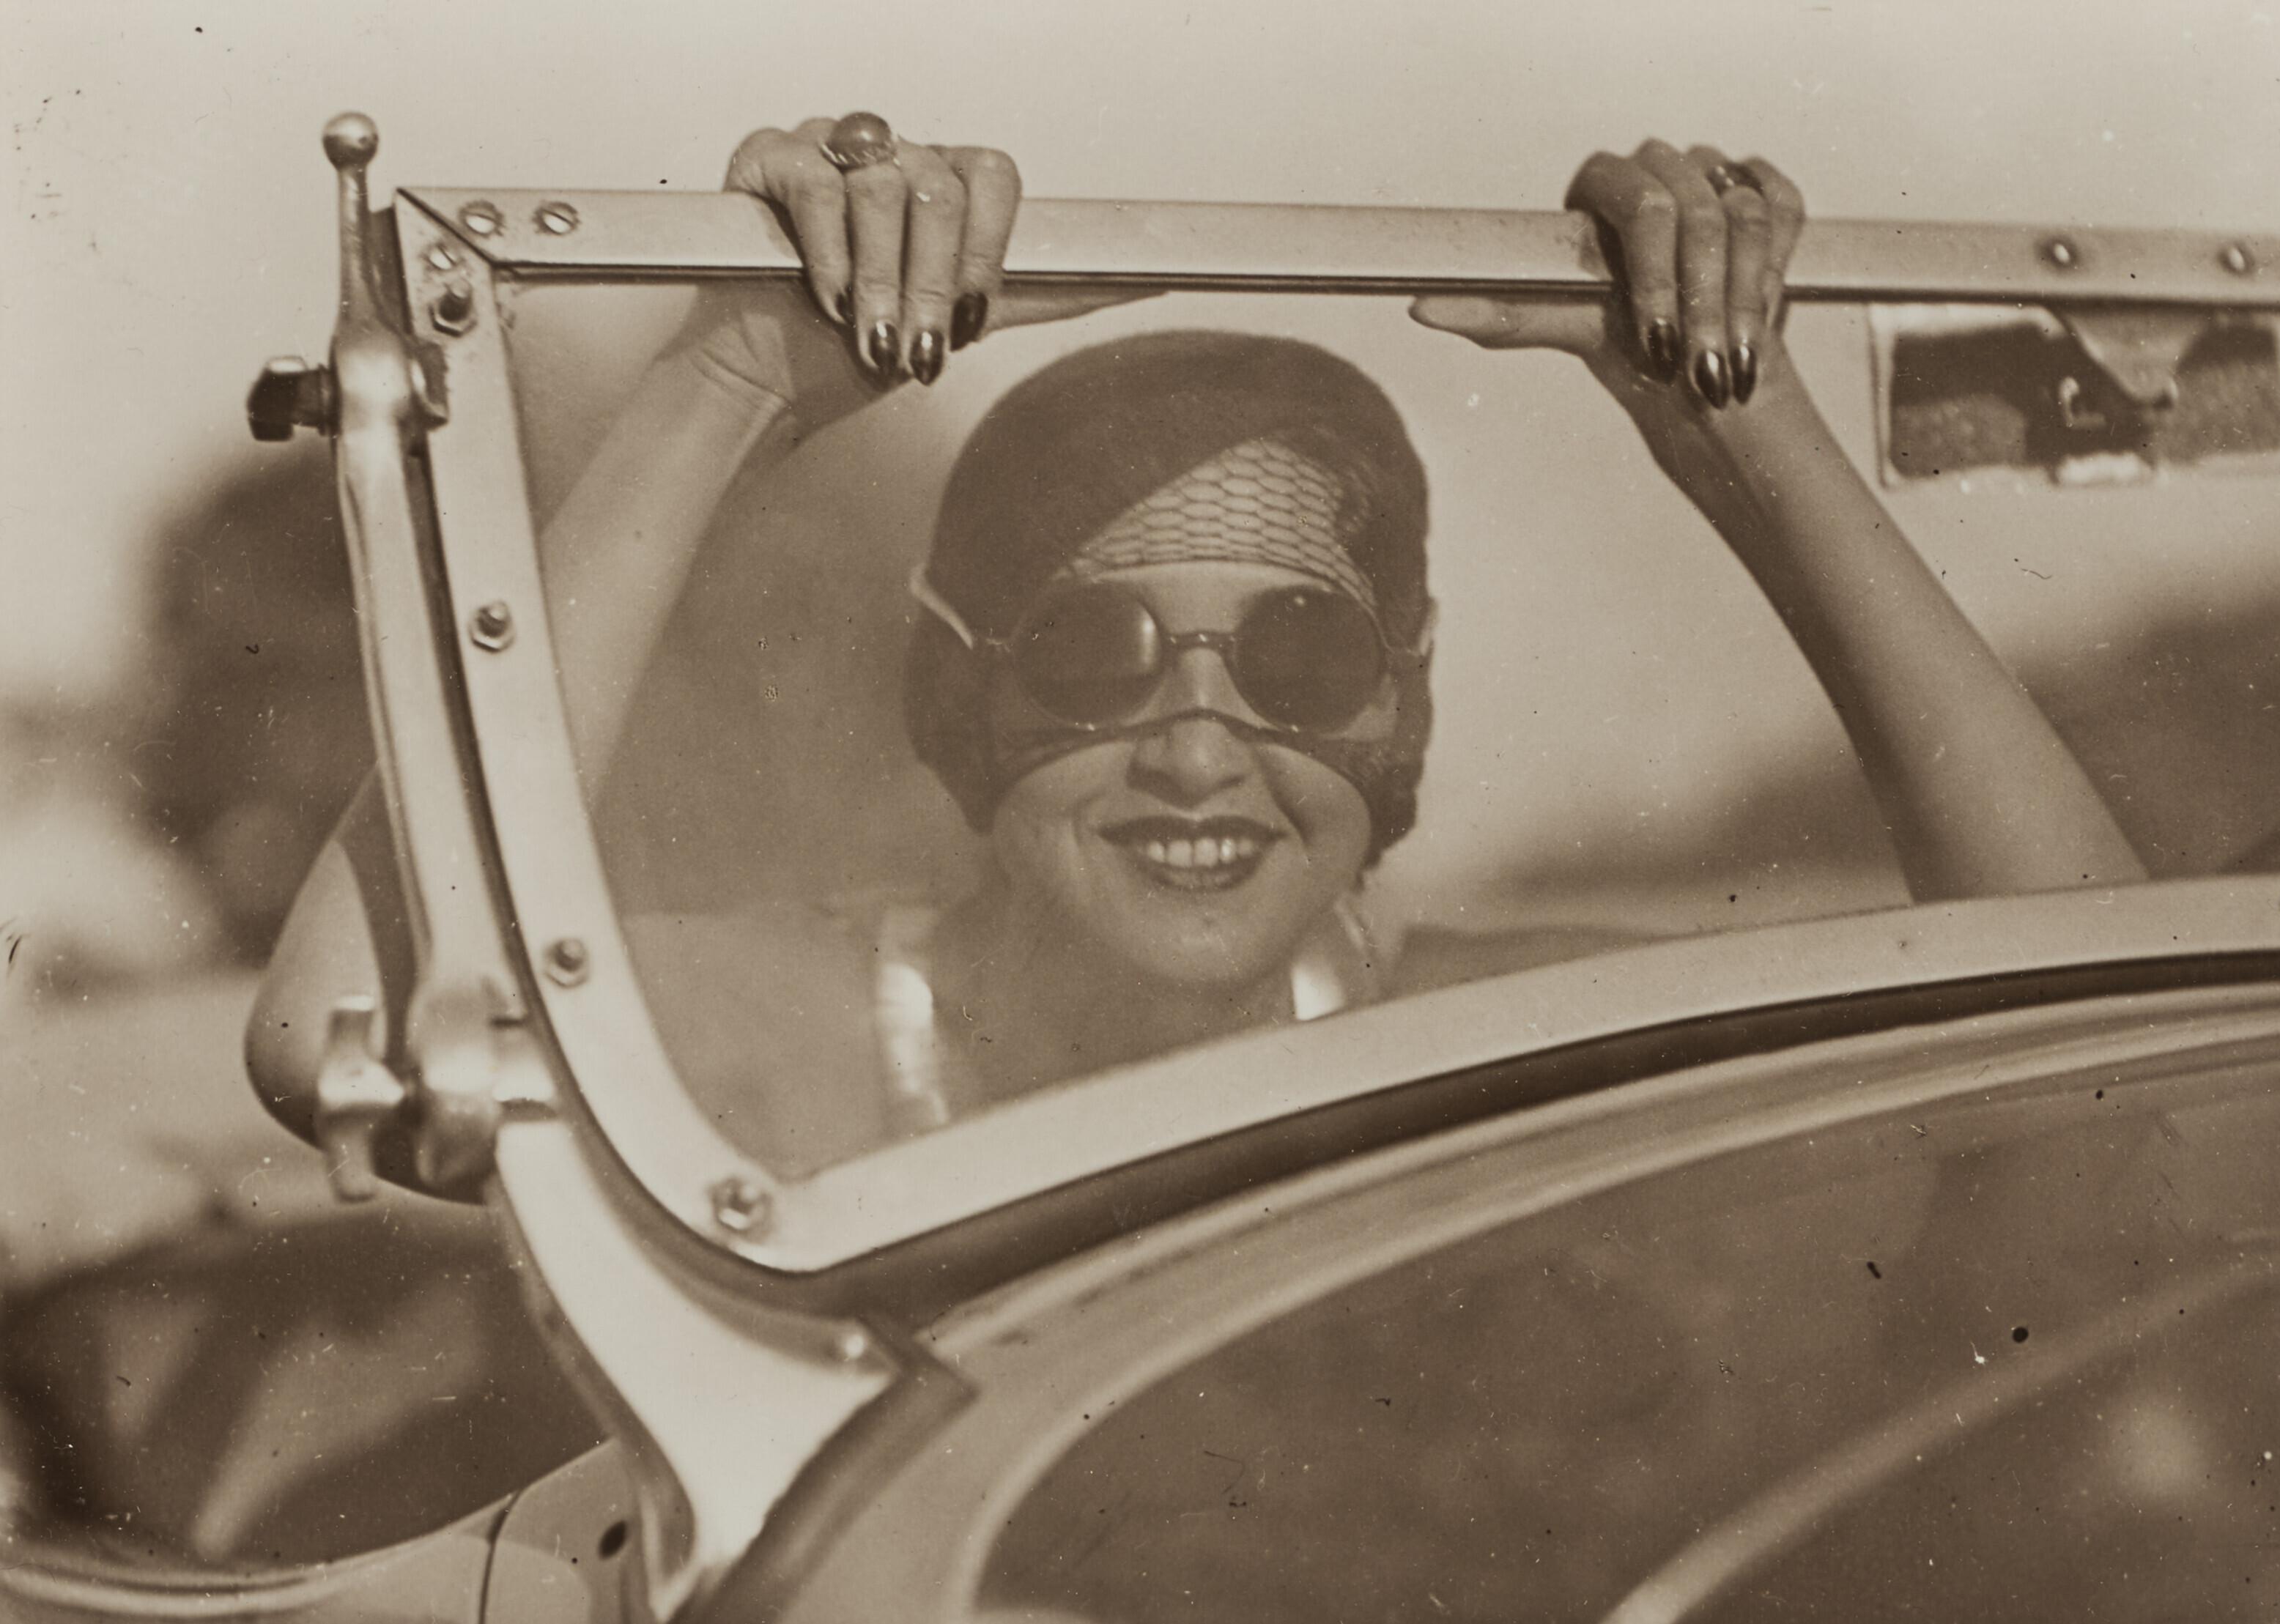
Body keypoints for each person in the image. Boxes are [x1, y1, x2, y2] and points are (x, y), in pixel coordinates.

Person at [246, 117, 2144, 1175]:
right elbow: (344, 1026)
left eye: (1302, 659)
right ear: (960, 689)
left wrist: (1741, 419)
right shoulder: (775, 1036)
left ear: (1395, 716)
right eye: (1093, 654)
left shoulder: (1481, 1043)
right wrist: (738, 371)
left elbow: (2099, 1037)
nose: (1198, 743)